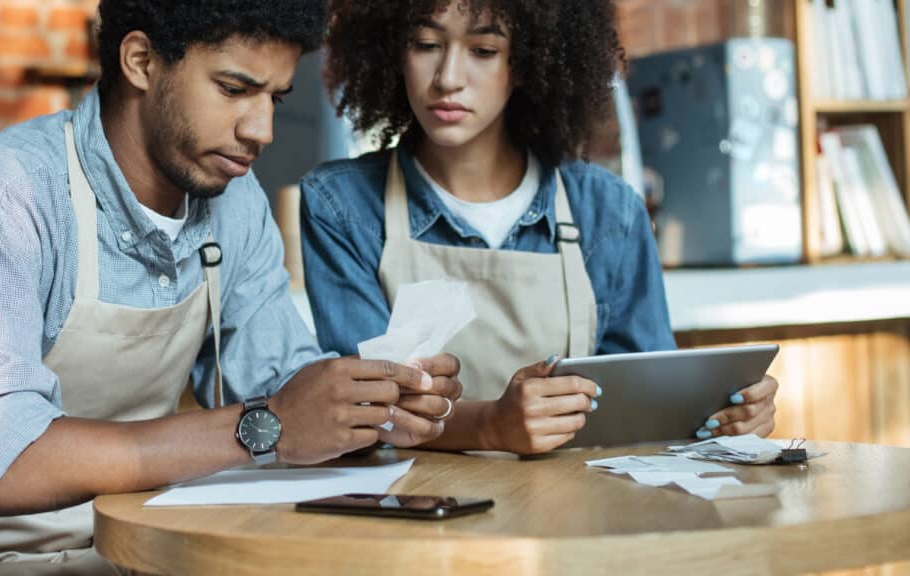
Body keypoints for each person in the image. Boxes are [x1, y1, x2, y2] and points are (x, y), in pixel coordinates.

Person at [0, 1, 460, 573]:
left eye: (275, 98)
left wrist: (365, 406)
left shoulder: (234, 202)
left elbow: (280, 380)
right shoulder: (3, 198)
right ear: (140, 61)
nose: (261, 131)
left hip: (128, 554)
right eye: (235, 89)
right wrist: (268, 426)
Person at [300, 0, 778, 456]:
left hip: (570, 519)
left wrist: (723, 418)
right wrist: (490, 425)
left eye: (484, 51)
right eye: (426, 44)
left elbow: (648, 408)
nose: (448, 78)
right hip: (421, 518)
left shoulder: (609, 212)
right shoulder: (342, 206)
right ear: (391, 49)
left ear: (528, 61)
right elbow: (366, 411)